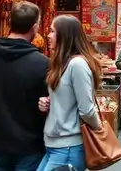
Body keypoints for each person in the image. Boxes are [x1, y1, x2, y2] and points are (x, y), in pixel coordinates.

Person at [0, 1, 49, 170]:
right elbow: (48, 107)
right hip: (30, 145)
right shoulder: (42, 63)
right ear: (34, 27)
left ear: (10, 23)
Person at [37, 15, 101, 171]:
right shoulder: (61, 64)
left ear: (64, 36)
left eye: (52, 31)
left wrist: (98, 128)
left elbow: (86, 109)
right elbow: (67, 98)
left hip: (68, 147)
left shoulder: (77, 65)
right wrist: (47, 102)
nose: (48, 35)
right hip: (55, 144)